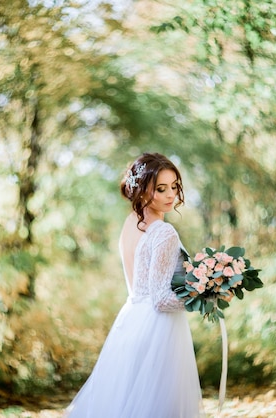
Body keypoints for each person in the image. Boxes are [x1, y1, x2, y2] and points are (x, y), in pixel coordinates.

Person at [64, 152, 204, 418]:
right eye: (161, 189)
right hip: (159, 331)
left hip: (130, 322)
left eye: (174, 186)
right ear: (142, 189)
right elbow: (161, 299)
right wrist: (205, 296)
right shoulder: (164, 232)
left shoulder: (131, 224)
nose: (170, 195)